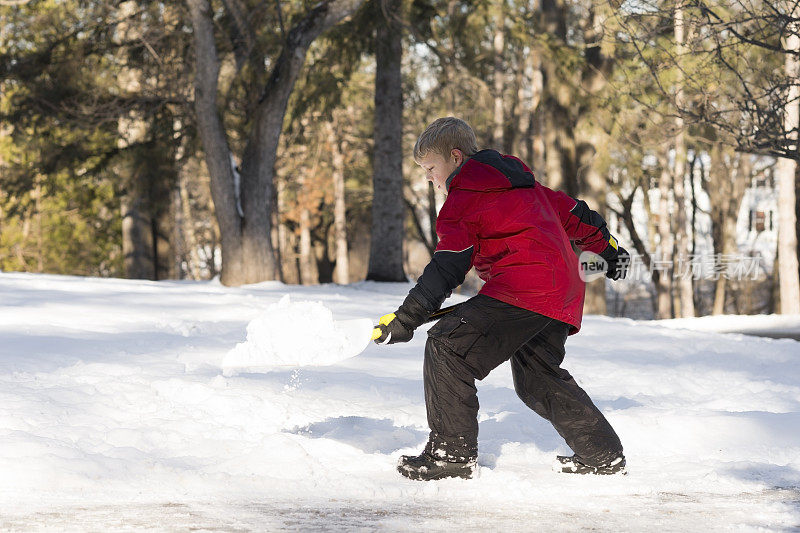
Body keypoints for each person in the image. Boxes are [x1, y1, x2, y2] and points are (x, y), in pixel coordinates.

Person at [372, 117, 631, 481]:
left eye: (431, 168)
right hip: (562, 289)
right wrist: (609, 250)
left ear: (456, 157)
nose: (429, 177)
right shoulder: (529, 186)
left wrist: (407, 318)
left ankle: (452, 455)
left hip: (522, 288)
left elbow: (448, 267)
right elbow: (578, 215)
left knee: (448, 347)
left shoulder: (462, 201)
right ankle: (602, 455)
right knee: (538, 377)